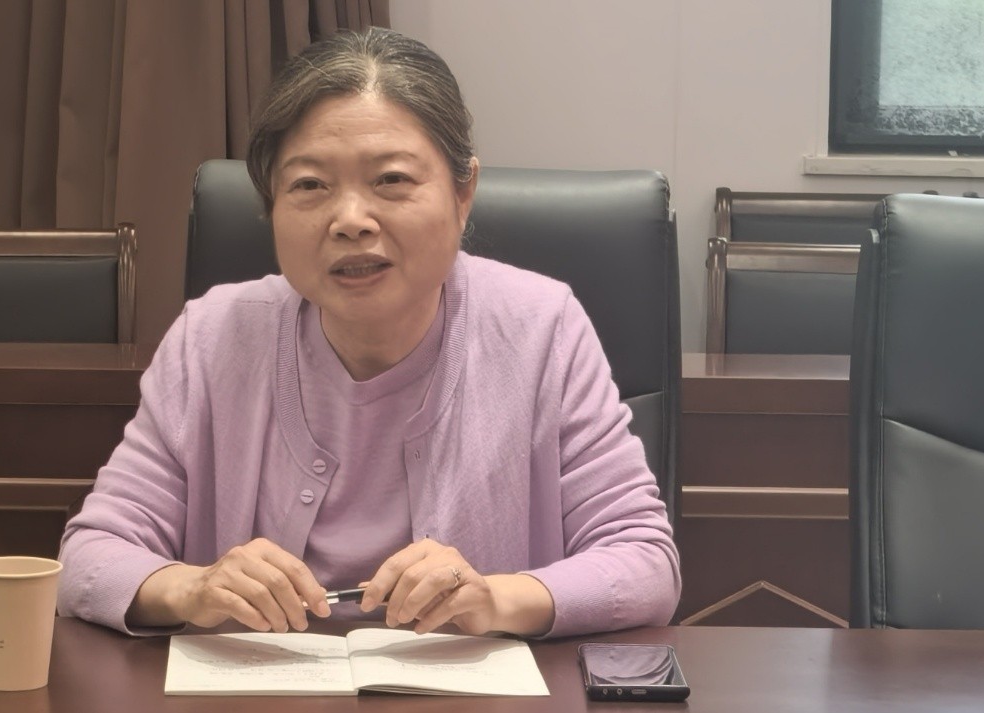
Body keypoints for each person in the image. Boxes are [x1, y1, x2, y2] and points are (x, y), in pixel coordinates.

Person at [58, 27, 679, 639]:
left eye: (391, 180)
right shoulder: (212, 337)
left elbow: (644, 562)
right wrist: (191, 588)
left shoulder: (542, 328)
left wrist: (497, 600)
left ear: (463, 192)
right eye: (309, 185)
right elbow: (89, 556)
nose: (350, 220)